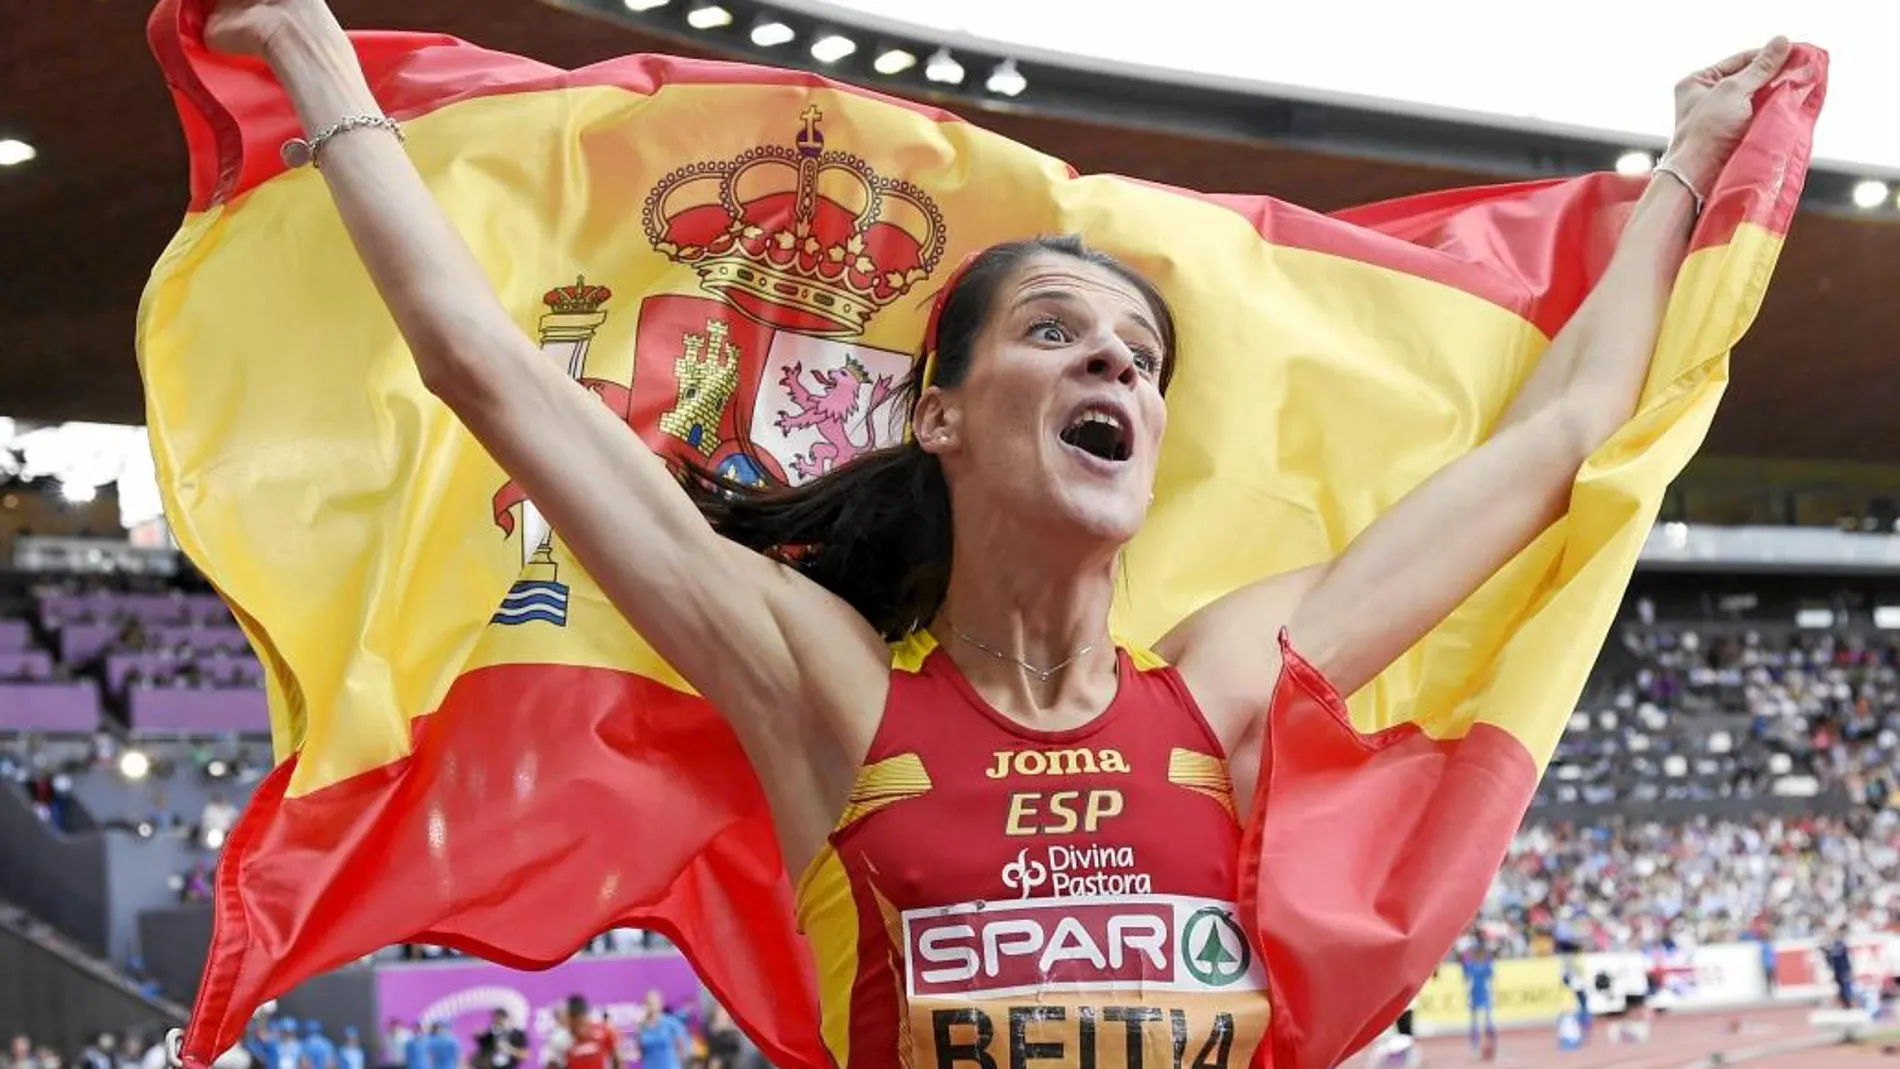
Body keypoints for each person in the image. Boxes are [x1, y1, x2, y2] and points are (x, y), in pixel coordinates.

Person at [198, 1, 1791, 1063]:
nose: (1115, 363)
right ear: (939, 418)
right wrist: (311, 52)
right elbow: (488, 372)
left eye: (1142, 358)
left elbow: (1559, 442)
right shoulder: (832, 690)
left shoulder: (1229, 679)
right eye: (1055, 331)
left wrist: (1689, 170)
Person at [1462, 944, 1499, 1060]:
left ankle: (1483, 1045)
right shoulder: (1481, 962)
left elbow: (1467, 978)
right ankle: (1481, 1045)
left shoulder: (1473, 963)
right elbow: (1490, 976)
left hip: (1480, 993)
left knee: (1483, 1021)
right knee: (1481, 1021)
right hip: (1478, 994)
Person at [631, 994, 686, 1069]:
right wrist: (638, 1029)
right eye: (648, 1003)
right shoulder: (642, 1027)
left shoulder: (671, 1023)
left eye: (654, 1003)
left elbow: (681, 1047)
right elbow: (640, 1052)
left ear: (660, 1004)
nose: (651, 1007)